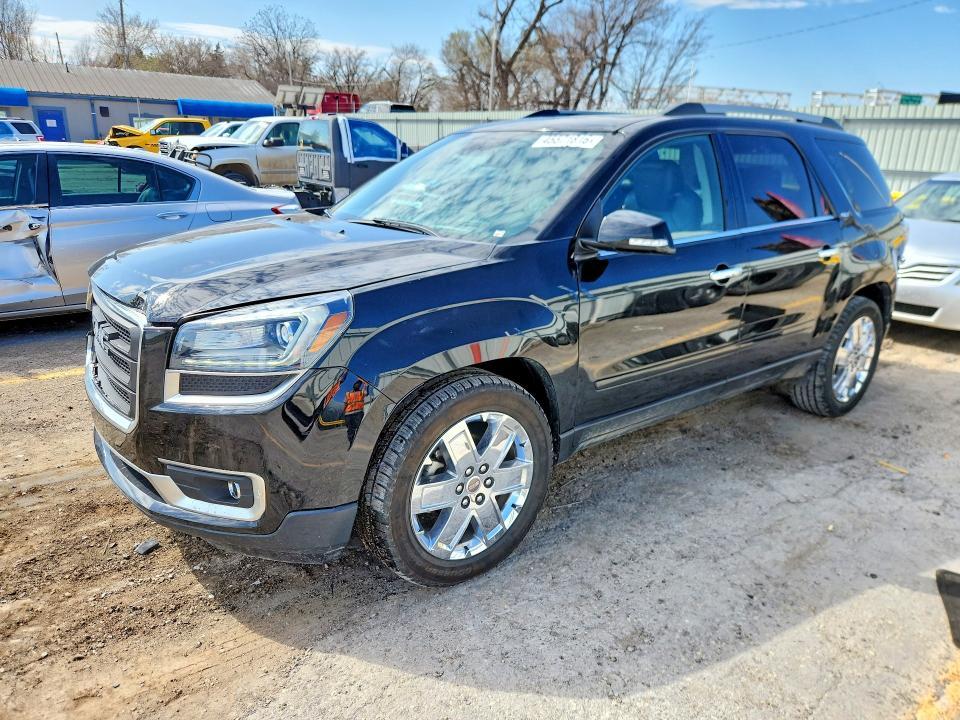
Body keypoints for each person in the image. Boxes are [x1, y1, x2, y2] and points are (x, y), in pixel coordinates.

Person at [344, 380, 367, 447]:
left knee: (359, 429)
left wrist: (365, 385)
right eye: (356, 384)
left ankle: (359, 443)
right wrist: (343, 412)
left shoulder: (361, 392)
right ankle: (351, 443)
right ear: (353, 385)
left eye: (359, 384)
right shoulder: (348, 393)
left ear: (360, 386)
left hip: (358, 413)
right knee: (350, 430)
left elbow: (366, 392)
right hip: (348, 414)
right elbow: (345, 403)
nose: (357, 385)